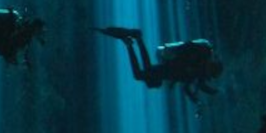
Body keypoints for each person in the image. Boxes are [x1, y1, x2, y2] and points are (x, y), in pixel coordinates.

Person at [94, 26, 223, 102]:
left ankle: (135, 41)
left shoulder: (199, 72)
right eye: (211, 72)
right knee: (140, 75)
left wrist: (202, 97)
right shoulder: (201, 55)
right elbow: (187, 47)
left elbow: (190, 87)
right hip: (170, 66)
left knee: (149, 78)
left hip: (169, 71)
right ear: (212, 66)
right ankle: (133, 42)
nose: (208, 73)